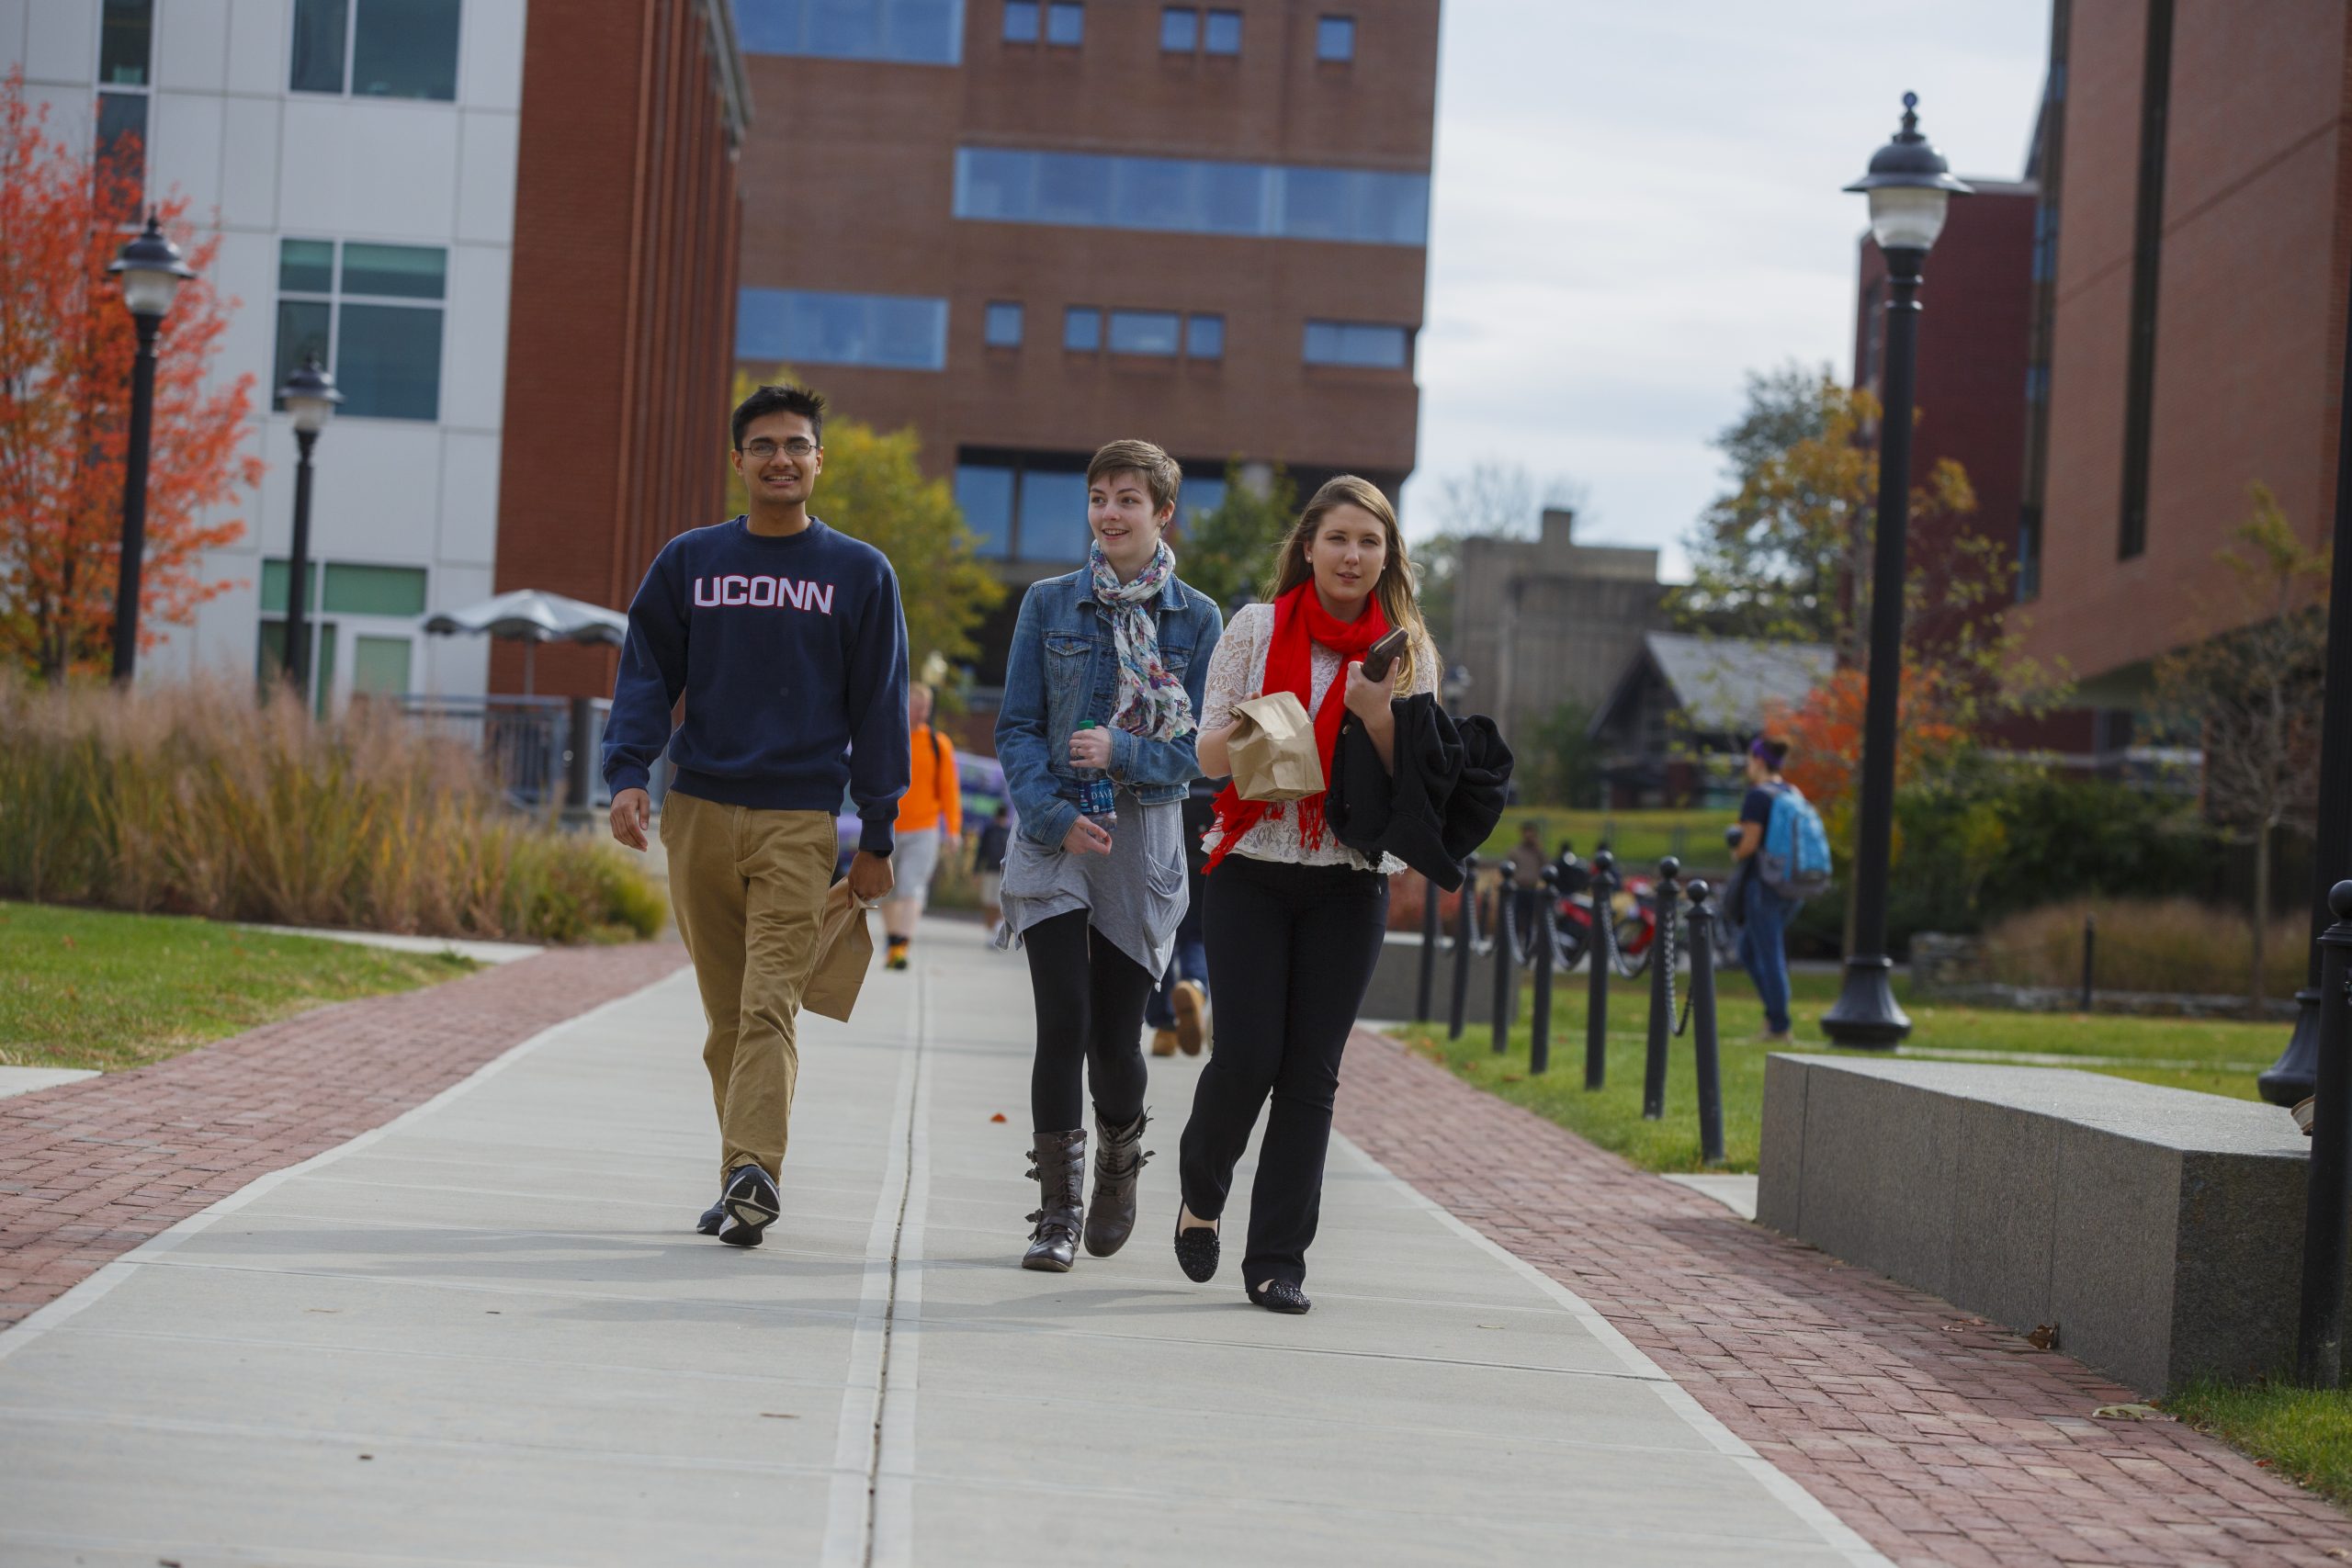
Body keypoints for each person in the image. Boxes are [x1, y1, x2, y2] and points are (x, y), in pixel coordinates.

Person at [603, 382, 909, 1248]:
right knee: (728, 1015)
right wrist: (628, 773)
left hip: (798, 821)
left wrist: (878, 834)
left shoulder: (859, 573)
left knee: (770, 1002)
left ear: (820, 461)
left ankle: (754, 1171)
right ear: (738, 460)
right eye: (764, 444)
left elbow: (879, 708)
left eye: (797, 445)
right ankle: (741, 1173)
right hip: (696, 809)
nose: (781, 458)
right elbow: (646, 674)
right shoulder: (690, 561)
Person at [1175, 475, 1442, 1314]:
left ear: (1388, 555)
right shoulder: (1254, 629)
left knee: (1310, 1075)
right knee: (1248, 1055)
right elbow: (1205, 755)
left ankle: (1278, 1258)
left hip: (1349, 880)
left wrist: (1379, 714)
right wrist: (1266, 729)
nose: (1353, 555)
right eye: (1338, 538)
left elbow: (1423, 783)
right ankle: (1202, 1195)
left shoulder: (1409, 653)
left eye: (1370, 541)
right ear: (1309, 546)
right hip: (1252, 864)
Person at [994, 439, 1223, 1272]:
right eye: (1099, 498)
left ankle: (1119, 1163)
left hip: (1140, 837)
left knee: (1115, 1038)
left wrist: (1122, 751)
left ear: (1163, 513)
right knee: (1061, 1020)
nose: (1110, 513)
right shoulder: (1049, 602)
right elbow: (1016, 726)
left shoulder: (1198, 618)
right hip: (1056, 835)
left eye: (1129, 498)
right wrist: (1051, 815)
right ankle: (1055, 1211)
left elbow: (1202, 745)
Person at [883, 682, 962, 971]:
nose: (921, 713)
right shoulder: (889, 739)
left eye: (925, 708)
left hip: (924, 830)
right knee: (886, 890)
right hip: (888, 826)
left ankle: (901, 947)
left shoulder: (938, 744)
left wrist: (952, 831)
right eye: (916, 706)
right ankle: (893, 945)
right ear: (904, 706)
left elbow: (949, 792)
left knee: (911, 888)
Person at [1730, 737, 1801, 1044]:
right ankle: (1774, 1017)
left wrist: (1735, 849)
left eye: (1748, 760)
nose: (1747, 767)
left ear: (1758, 761)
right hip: (1793, 885)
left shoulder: (1758, 797)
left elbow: (1749, 843)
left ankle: (1779, 1026)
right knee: (1749, 950)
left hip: (1764, 886)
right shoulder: (1793, 793)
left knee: (1769, 955)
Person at [1142, 778, 1218, 1056]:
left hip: (1167, 861)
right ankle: (1195, 988)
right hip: (1209, 864)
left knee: (1158, 940)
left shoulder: (1174, 746)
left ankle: (1164, 1028)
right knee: (1196, 939)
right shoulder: (1218, 759)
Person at [1503, 819, 1548, 952]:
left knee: (1530, 921)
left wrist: (1539, 850)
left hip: (1532, 889)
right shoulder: (1515, 851)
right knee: (1515, 919)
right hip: (1518, 889)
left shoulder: (1538, 852)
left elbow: (1546, 866)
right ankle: (1514, 946)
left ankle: (1528, 948)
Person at [974, 802, 1012, 932]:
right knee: (988, 902)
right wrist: (977, 871)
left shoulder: (1010, 832)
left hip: (1004, 873)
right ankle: (990, 930)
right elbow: (981, 852)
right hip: (990, 871)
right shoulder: (990, 831)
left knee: (1000, 903)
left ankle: (998, 930)